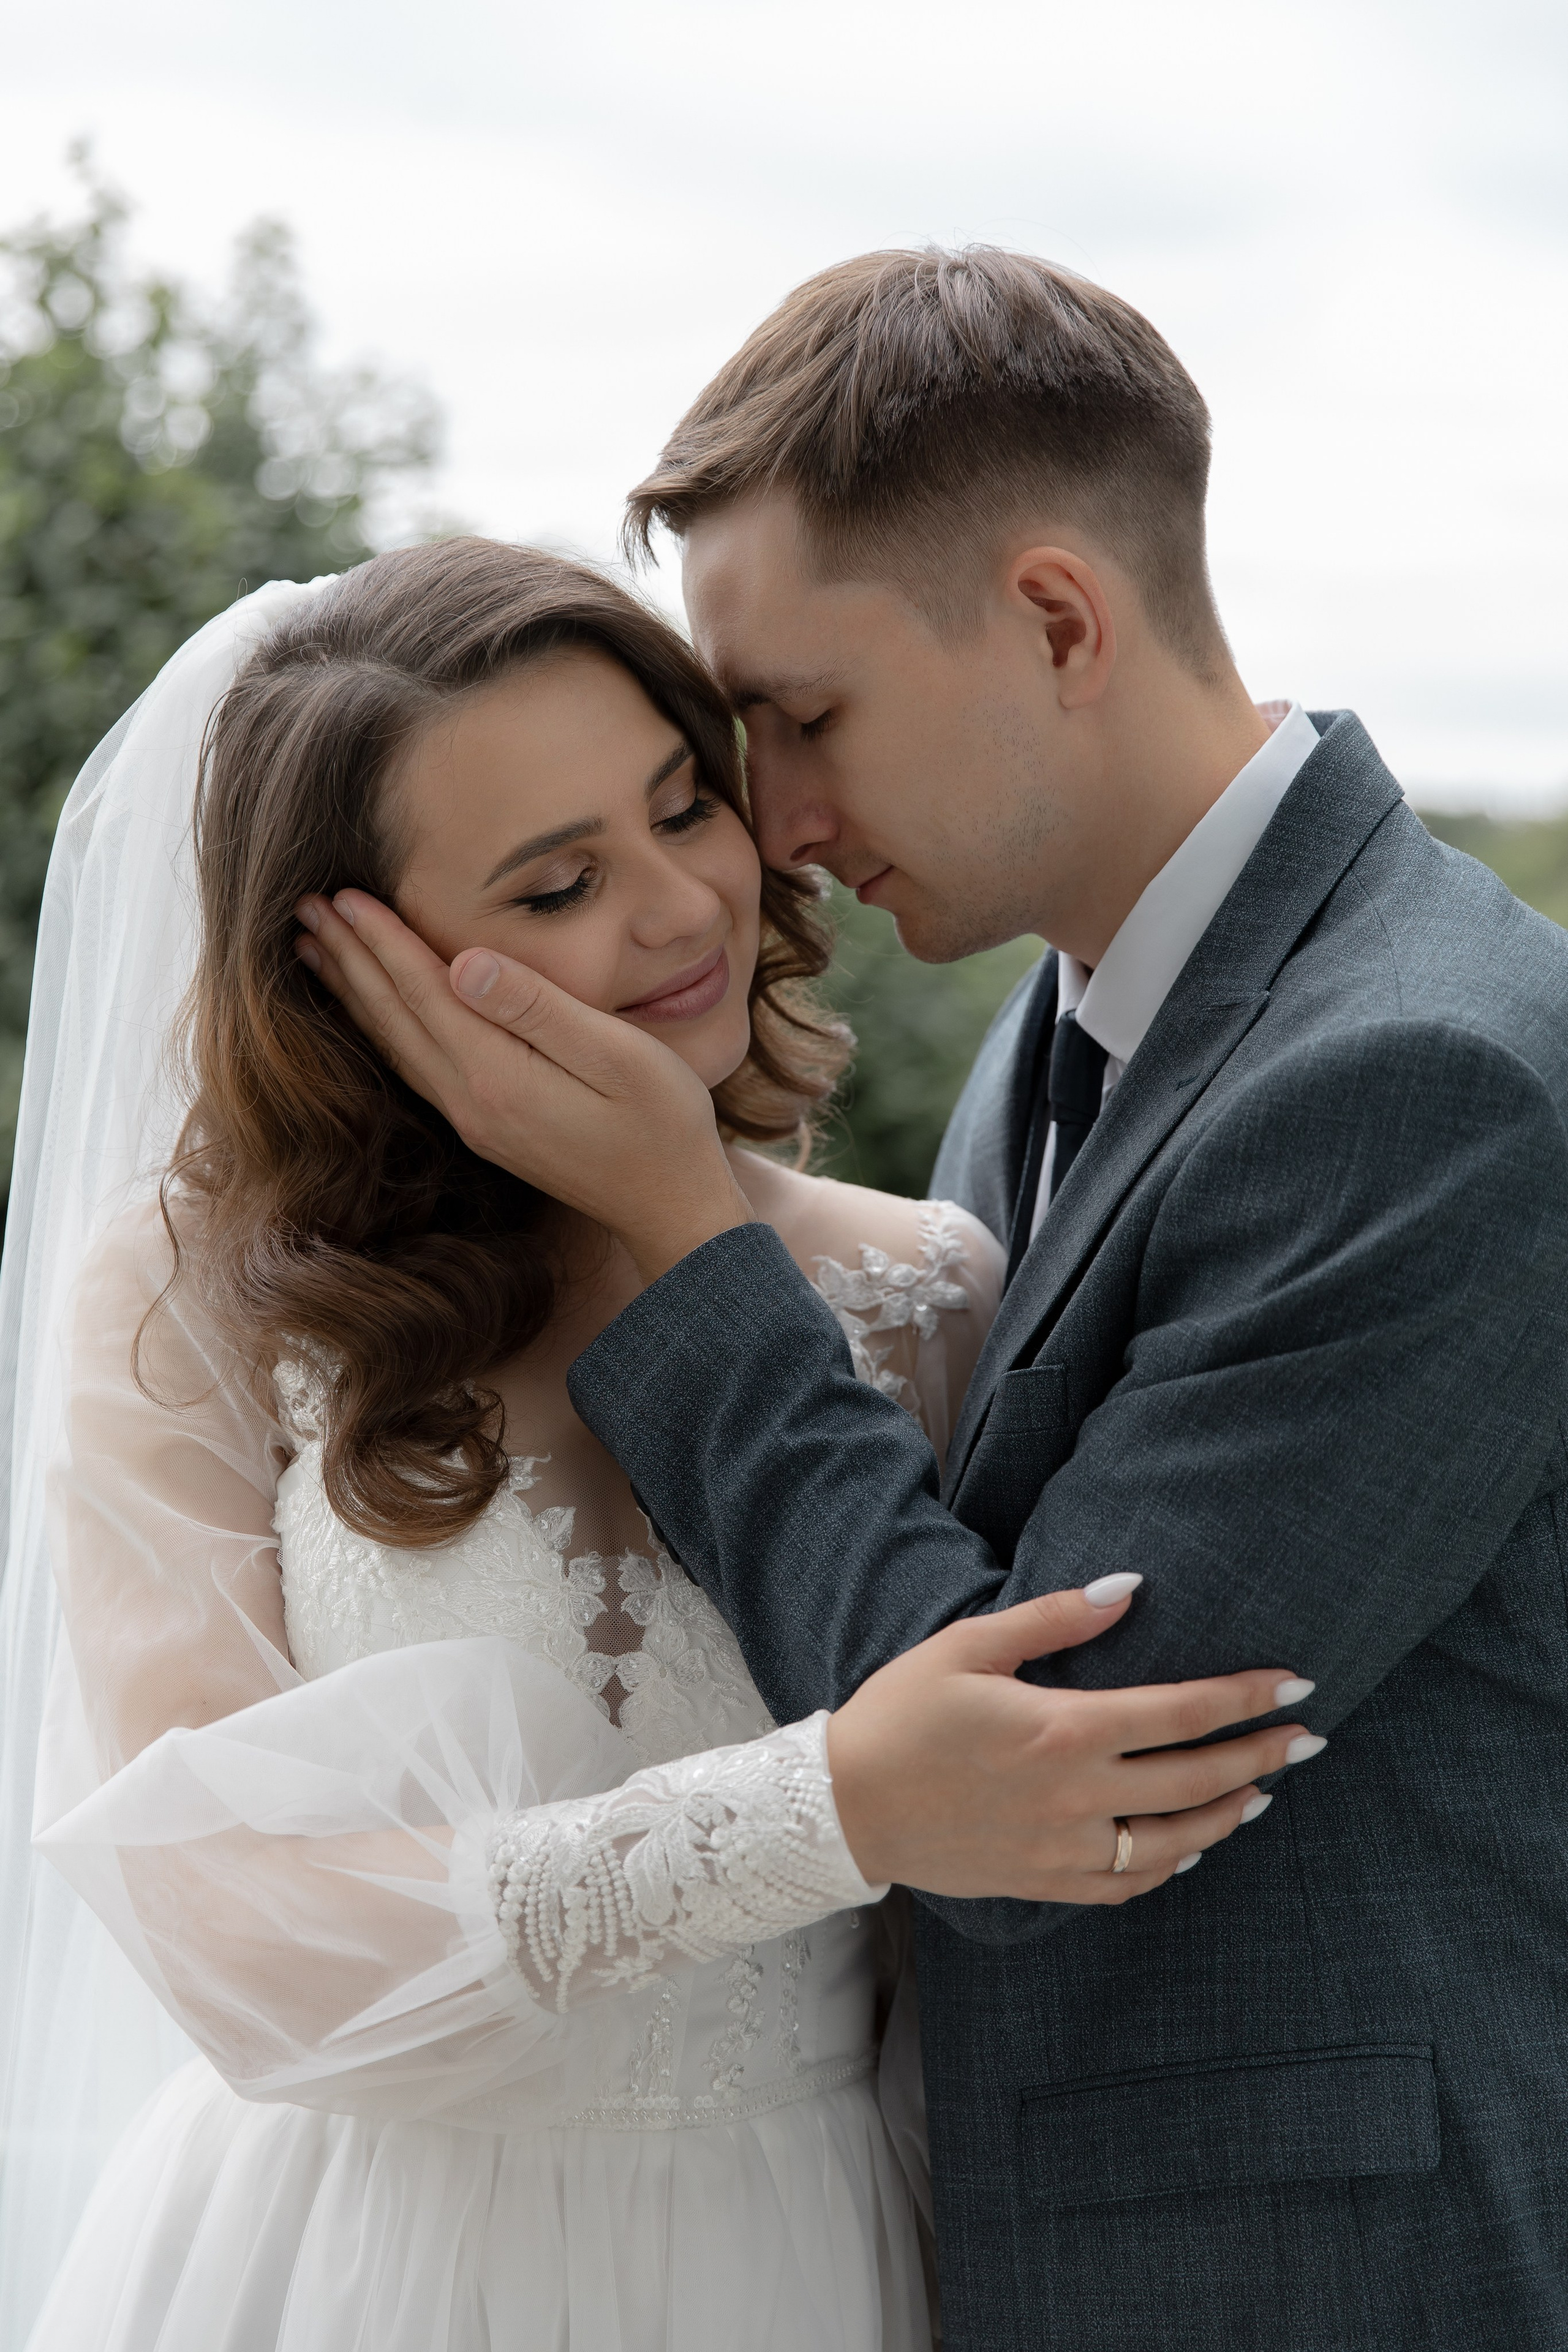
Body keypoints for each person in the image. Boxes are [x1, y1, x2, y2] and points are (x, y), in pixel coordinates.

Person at [313, 251, 1568, 2351]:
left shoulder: (1423, 1075)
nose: (777, 834)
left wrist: (681, 1238)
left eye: (803, 719)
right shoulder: (1053, 1033)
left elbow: (1030, 1770)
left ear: (1059, 620)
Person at [0, 540, 1307, 2352]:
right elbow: (230, 1932)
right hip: (346, 2275)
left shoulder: (925, 1288)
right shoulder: (186, 1302)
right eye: (557, 886)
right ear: (352, 958)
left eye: (686, 807)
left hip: (815, 2263)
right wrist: (830, 1805)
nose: (685, 910)